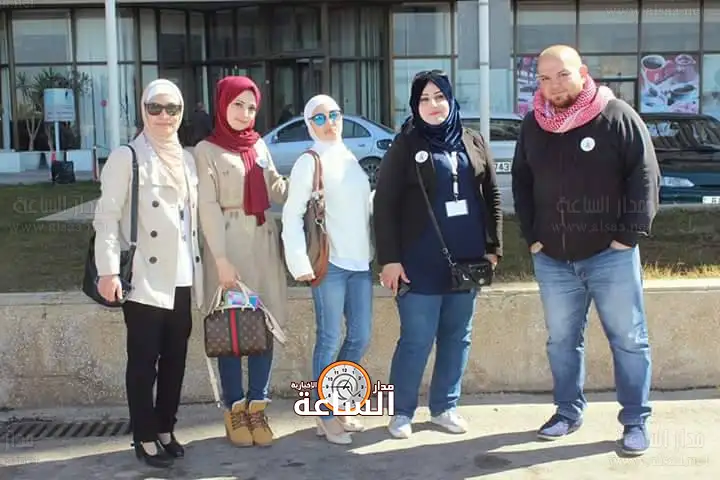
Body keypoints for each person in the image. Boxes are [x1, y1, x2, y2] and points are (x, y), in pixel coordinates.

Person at [511, 45, 660, 456]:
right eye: (545, 78)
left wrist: (627, 237)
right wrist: (533, 236)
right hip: (553, 260)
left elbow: (645, 174)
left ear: (583, 72)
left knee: (629, 339)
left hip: (611, 256)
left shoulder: (616, 115)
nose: (554, 86)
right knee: (561, 341)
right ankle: (567, 411)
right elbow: (521, 181)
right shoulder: (533, 124)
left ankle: (635, 420)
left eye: (563, 75)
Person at [373, 70, 503, 439]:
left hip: (468, 261)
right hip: (419, 262)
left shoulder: (472, 140)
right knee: (416, 339)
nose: (433, 105)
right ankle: (401, 412)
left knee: (457, 337)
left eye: (440, 97)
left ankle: (445, 407)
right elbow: (385, 205)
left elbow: (492, 195)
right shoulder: (405, 145)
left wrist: (493, 248)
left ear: (451, 99)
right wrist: (390, 259)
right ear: (415, 105)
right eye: (424, 99)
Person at [93, 79, 203, 468]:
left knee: (175, 359)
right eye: (155, 108)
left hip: (182, 275)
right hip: (143, 277)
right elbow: (107, 218)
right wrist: (108, 271)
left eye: (172, 109)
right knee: (143, 362)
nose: (163, 116)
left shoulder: (187, 159)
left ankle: (165, 428)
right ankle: (143, 435)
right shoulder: (127, 156)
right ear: (143, 110)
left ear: (181, 112)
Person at [195, 76, 288, 448]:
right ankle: (234, 409)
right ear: (222, 104)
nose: (245, 113)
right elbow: (207, 206)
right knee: (230, 331)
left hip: (263, 245)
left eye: (251, 107)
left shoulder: (258, 144)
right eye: (238, 104)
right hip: (229, 246)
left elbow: (275, 186)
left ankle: (257, 407)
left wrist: (308, 183)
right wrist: (220, 259)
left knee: (264, 325)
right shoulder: (206, 150)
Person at [281, 94, 374, 445]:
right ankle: (324, 413)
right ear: (309, 125)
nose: (329, 122)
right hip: (330, 263)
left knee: (360, 336)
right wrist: (299, 262)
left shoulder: (349, 156)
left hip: (360, 262)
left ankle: (339, 402)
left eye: (334, 115)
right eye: (319, 118)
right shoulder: (310, 161)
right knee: (330, 338)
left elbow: (362, 206)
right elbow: (292, 214)